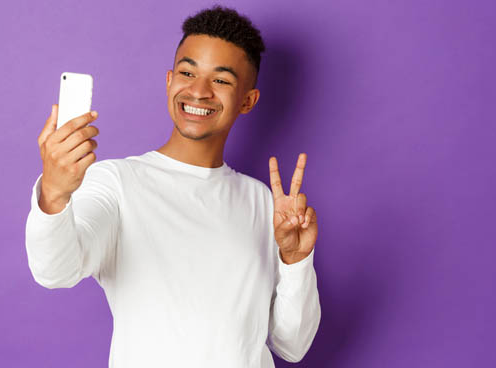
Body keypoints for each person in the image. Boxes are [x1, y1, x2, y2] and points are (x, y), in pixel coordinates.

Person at [26, 6, 320, 367]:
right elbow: (54, 272)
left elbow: (293, 345)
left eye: (221, 80)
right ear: (169, 81)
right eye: (187, 72)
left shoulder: (264, 202)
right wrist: (54, 194)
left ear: (247, 100)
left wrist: (296, 261)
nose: (198, 91)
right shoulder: (117, 183)